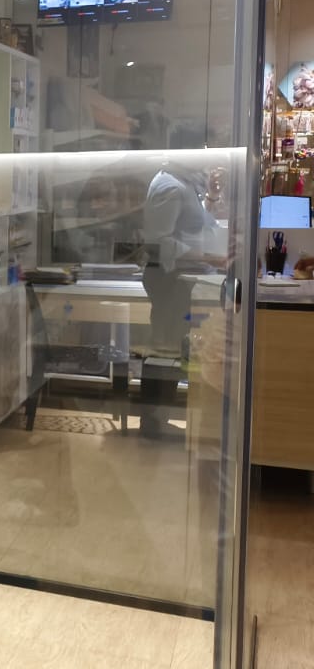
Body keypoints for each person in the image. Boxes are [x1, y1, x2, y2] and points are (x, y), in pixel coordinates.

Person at [139, 125, 225, 436]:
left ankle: (158, 419)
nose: (206, 156)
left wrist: (211, 196)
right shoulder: (170, 186)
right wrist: (208, 258)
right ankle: (152, 422)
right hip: (169, 279)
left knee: (174, 346)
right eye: (202, 149)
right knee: (165, 348)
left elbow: (195, 225)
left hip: (181, 278)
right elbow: (159, 241)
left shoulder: (184, 183)